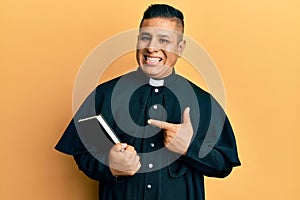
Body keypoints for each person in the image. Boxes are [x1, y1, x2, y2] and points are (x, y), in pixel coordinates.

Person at [55, 4, 241, 200]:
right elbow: (82, 153)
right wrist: (110, 166)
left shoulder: (204, 103)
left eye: (163, 40)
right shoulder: (104, 94)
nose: (152, 48)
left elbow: (223, 166)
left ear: (180, 47)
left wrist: (189, 148)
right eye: (146, 37)